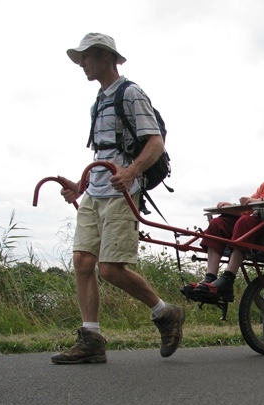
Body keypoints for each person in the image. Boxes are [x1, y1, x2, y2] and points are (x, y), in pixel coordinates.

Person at [52, 33, 185, 364]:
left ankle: (165, 313)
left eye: (86, 57)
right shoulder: (98, 101)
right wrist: (79, 185)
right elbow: (104, 152)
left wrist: (131, 172)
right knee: (83, 262)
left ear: (104, 57)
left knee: (110, 269)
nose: (82, 64)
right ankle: (91, 339)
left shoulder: (130, 94)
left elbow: (154, 142)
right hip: (95, 191)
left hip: (123, 192)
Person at [186, 139, 264, 301]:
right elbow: (248, 208)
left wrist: (257, 203)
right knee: (218, 223)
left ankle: (228, 279)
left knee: (245, 223)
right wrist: (231, 207)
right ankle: (210, 278)